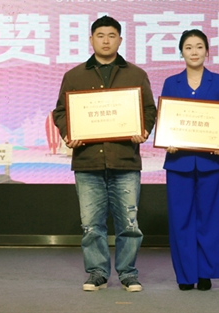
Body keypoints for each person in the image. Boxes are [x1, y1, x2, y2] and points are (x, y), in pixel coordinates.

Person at [53, 15, 156, 292]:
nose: (106, 41)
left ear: (120, 40)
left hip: (125, 160)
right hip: (88, 161)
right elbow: (61, 111)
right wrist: (69, 133)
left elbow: (149, 110)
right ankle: (97, 272)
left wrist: (143, 130)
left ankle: (128, 273)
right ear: (91, 40)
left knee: (129, 224)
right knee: (91, 224)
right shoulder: (74, 76)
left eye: (112, 35)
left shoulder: (136, 74)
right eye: (100, 35)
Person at [161, 29, 219, 291]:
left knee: (210, 219)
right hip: (178, 161)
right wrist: (167, 138)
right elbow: (166, 118)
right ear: (181, 52)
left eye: (199, 46)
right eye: (188, 47)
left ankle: (205, 273)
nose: (194, 52)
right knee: (180, 219)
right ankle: (185, 274)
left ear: (207, 51)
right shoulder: (171, 82)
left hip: (211, 162)